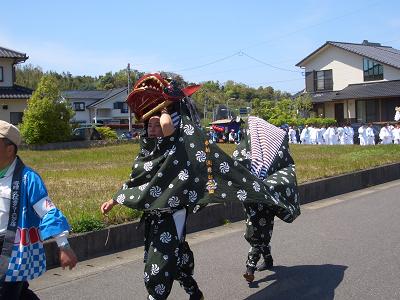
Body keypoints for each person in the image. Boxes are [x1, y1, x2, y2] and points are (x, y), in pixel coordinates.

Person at [101, 108, 204, 300]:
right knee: (173, 257)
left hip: (173, 214)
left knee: (158, 264)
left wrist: (166, 107)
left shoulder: (176, 147)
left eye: (158, 125)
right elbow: (135, 181)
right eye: (150, 125)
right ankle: (194, 292)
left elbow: (167, 126)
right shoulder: (145, 151)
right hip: (153, 216)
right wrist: (113, 200)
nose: (154, 129)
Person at [0, 120, 77, 300]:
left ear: (9, 149)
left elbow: (49, 211)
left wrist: (64, 246)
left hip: (11, 251)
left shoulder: (28, 179)